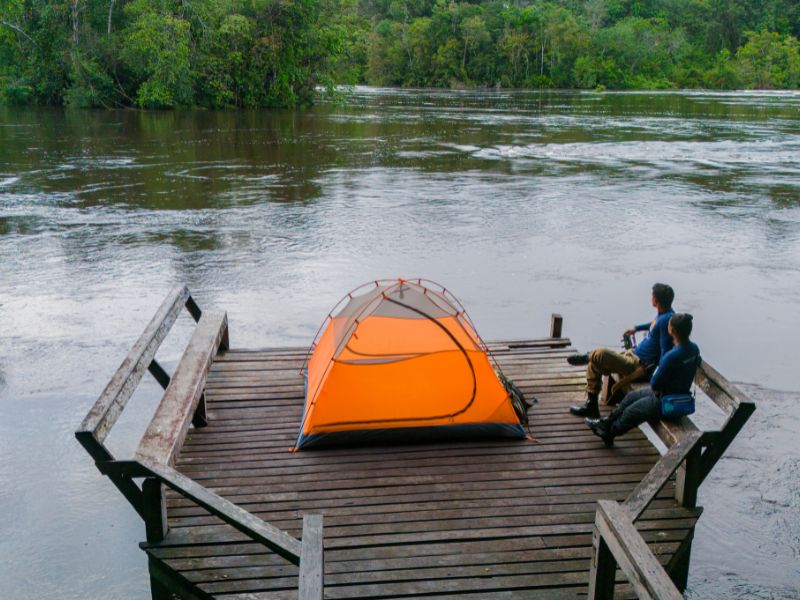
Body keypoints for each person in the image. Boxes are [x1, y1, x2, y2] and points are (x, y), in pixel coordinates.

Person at [585, 313, 701, 446]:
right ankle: (606, 422)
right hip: (672, 394)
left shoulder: (671, 357)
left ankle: (609, 432)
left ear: (672, 330)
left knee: (631, 412)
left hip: (667, 403)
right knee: (630, 397)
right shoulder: (694, 349)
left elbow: (655, 383)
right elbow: (696, 360)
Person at [568, 283, 676, 419]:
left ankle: (588, 356)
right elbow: (653, 325)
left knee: (600, 354)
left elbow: (665, 352)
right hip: (633, 355)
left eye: (652, 295)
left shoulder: (667, 321)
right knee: (594, 363)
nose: (651, 298)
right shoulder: (664, 314)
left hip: (638, 366)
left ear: (656, 300)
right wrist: (636, 328)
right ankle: (591, 407)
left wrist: (657, 378)